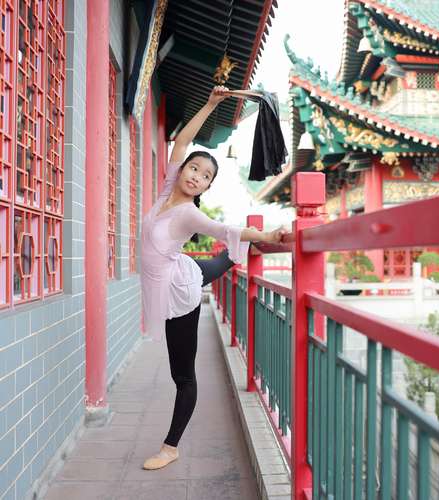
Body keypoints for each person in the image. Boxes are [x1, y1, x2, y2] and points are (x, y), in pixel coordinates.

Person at [139, 86, 286, 470]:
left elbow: (226, 229)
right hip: (178, 271)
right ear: (182, 170)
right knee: (215, 265)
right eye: (194, 169)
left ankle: (171, 447)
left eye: (205, 176)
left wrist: (268, 236)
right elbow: (182, 141)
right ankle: (238, 256)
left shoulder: (189, 213)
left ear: (207, 187)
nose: (197, 176)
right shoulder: (167, 191)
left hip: (180, 292)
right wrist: (209, 103)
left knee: (182, 375)